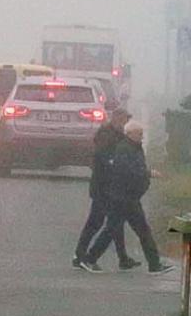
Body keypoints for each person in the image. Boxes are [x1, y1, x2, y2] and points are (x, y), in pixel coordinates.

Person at [78, 122, 175, 275]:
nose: (142, 137)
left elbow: (137, 168)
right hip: (122, 197)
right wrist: (148, 173)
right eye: (139, 133)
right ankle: (89, 258)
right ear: (130, 134)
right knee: (113, 229)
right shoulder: (124, 149)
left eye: (142, 134)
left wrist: (145, 175)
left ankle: (154, 264)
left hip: (131, 197)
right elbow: (127, 171)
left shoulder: (135, 148)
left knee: (139, 230)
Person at [73, 105, 137, 270]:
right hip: (103, 186)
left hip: (110, 186)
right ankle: (81, 255)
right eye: (123, 120)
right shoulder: (107, 135)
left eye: (127, 120)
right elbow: (102, 158)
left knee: (115, 222)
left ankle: (122, 258)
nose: (125, 123)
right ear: (116, 119)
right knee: (97, 222)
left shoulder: (116, 135)